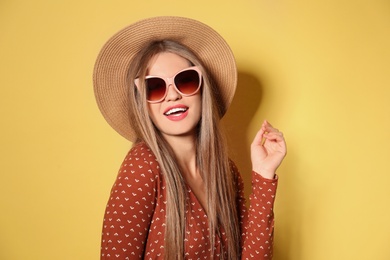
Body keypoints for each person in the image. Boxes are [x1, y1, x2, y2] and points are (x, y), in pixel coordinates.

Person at [93, 16, 287, 260]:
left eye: (185, 81)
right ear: (142, 103)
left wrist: (263, 175)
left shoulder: (226, 171)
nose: (172, 95)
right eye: (154, 86)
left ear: (202, 89)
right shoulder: (142, 166)